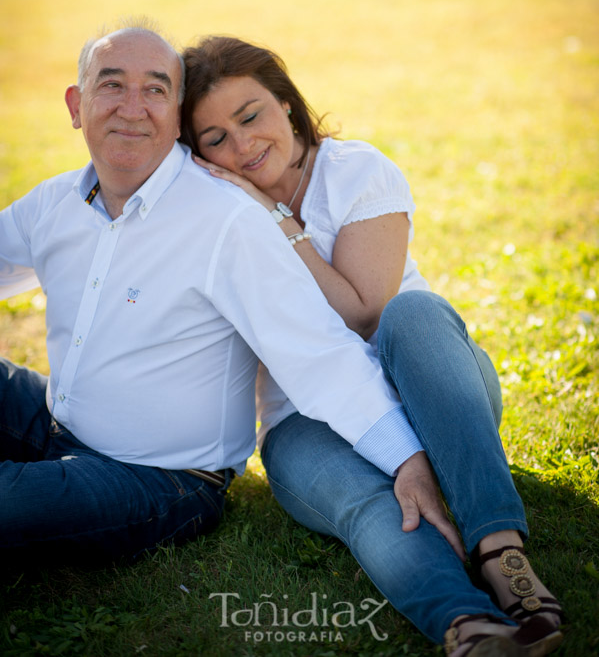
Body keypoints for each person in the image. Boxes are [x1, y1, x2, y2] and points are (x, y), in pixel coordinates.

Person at [0, 21, 442, 572]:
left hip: (160, 475)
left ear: (175, 116)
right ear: (76, 105)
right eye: (111, 85)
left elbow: (328, 343)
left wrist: (407, 458)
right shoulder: (57, 201)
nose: (133, 107)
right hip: (54, 420)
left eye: (156, 90)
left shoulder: (231, 218)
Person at [180, 34, 564, 657]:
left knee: (413, 311)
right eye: (215, 138)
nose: (242, 145)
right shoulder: (218, 210)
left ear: (285, 103)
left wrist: (278, 220)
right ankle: (468, 625)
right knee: (367, 502)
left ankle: (501, 552)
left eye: (250, 116)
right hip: (309, 421)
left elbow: (363, 312)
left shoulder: (354, 171)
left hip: (435, 395)